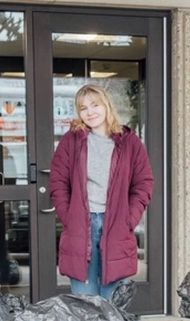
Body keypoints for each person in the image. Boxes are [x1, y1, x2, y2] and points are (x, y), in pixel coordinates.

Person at [49, 84, 154, 300]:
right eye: (83, 108)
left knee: (113, 304)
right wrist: (69, 217)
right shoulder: (71, 141)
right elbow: (58, 182)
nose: (90, 112)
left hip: (116, 226)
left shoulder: (129, 142)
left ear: (106, 105)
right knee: (85, 306)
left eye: (94, 105)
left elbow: (143, 183)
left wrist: (129, 218)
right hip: (81, 226)